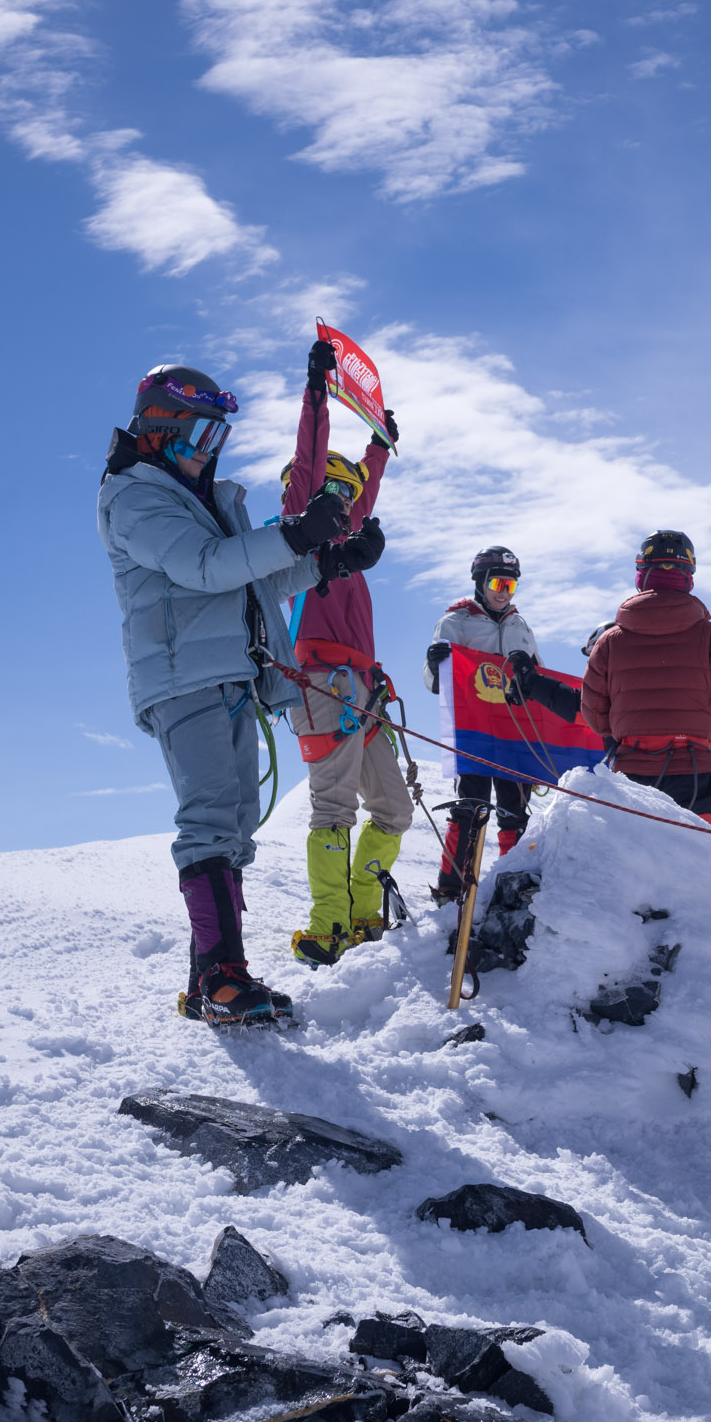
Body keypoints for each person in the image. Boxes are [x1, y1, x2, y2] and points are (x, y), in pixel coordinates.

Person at [96, 361, 355, 1024]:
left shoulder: (202, 500)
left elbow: (254, 583)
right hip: (185, 678)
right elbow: (207, 568)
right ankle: (222, 980)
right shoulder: (135, 497)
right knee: (211, 817)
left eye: (217, 442)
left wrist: (330, 559)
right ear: (159, 428)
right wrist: (296, 533)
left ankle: (207, 981)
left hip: (232, 674)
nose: (207, 454)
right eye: (199, 437)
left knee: (233, 822)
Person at [281, 341, 402, 966]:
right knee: (333, 809)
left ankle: (360, 914)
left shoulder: (350, 546)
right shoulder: (301, 532)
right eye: (340, 489)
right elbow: (307, 456)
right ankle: (328, 926)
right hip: (320, 684)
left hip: (362, 692)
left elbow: (370, 491)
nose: (349, 501)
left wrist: (379, 444)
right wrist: (317, 392)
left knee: (394, 810)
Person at [424, 547, 585, 901]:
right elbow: (437, 683)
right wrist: (436, 665)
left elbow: (538, 673)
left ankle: (511, 879)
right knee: (471, 802)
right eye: (497, 583)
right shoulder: (456, 621)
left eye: (511, 586)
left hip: (515, 731)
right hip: (477, 730)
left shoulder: (519, 625)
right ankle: (453, 884)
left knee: (514, 808)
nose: (503, 592)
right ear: (480, 582)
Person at [577, 529, 711, 826]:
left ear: (642, 575)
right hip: (693, 770)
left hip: (632, 768)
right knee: (694, 859)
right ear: (689, 575)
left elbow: (595, 717)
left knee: (636, 858)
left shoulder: (609, 642)